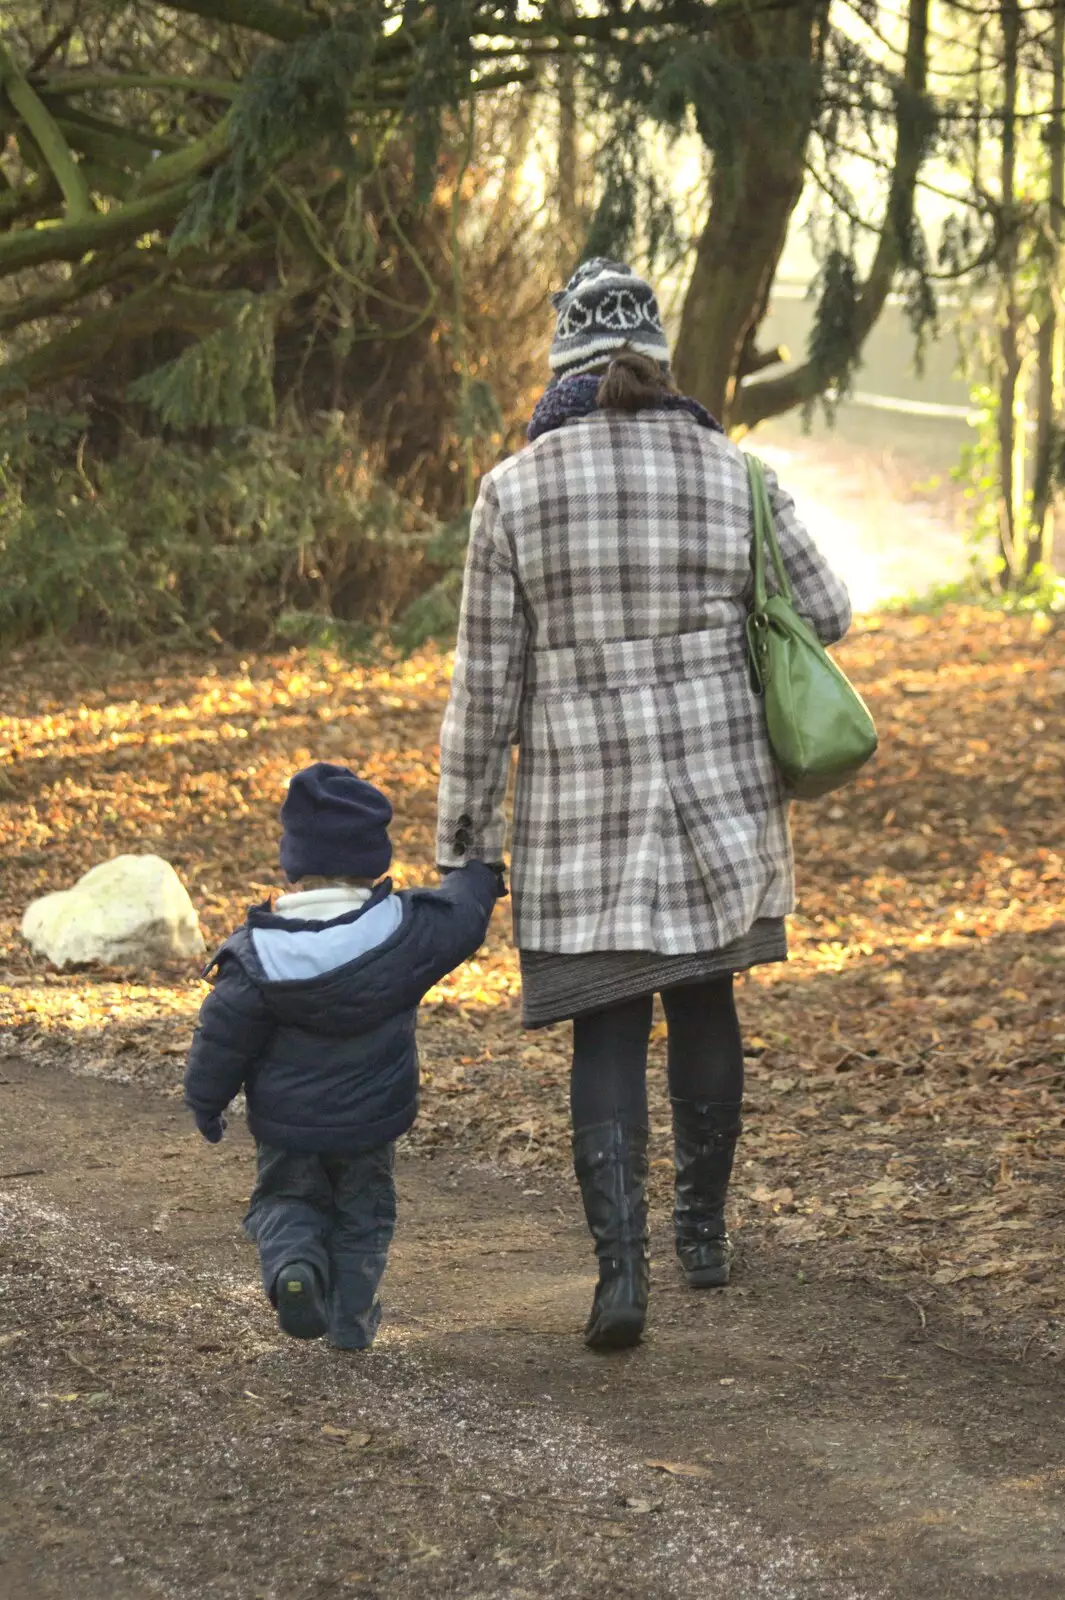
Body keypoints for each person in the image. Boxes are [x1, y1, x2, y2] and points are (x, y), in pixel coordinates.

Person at [436, 259, 852, 1351]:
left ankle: (621, 1280)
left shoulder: (513, 490)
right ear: (661, 362)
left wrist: (465, 840)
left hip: (582, 800)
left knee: (607, 1027)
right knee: (708, 1002)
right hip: (719, 787)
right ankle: (702, 1237)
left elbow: (485, 687)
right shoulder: (736, 472)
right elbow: (829, 609)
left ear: (562, 364)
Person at [184, 761, 498, 1350]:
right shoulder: (403, 932)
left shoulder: (259, 953)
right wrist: (481, 874)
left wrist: (206, 1100)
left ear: (295, 862)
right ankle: (351, 1321)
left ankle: (295, 1270)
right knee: (364, 1214)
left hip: (288, 1125)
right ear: (374, 857)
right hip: (369, 1120)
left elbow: (222, 1036)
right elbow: (462, 919)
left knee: (286, 1200)